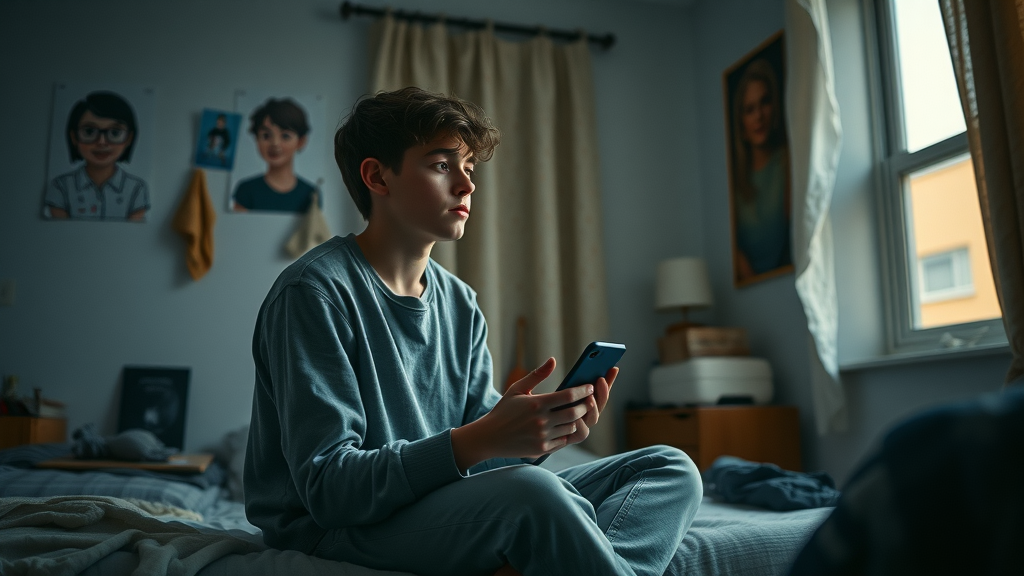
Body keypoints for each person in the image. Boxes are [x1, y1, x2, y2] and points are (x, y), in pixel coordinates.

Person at [244, 86, 703, 576]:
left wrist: (534, 438)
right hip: (336, 528)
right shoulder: (314, 293)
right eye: (443, 165)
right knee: (535, 495)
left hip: (437, 505)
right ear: (377, 176)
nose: (467, 185)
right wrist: (480, 440)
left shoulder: (460, 302)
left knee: (670, 469)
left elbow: (480, 467)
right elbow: (330, 492)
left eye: (468, 168)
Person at [44, 91, 150, 221]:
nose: (101, 142)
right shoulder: (60, 186)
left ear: (129, 138)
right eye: (89, 132)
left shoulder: (137, 188)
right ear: (74, 137)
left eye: (115, 133)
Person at [730, 58, 791, 282]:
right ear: (741, 123)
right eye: (749, 109)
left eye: (764, 102)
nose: (759, 117)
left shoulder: (786, 163)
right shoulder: (735, 184)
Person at [232, 98, 319, 213]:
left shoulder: (311, 194)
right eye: (266, 135)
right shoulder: (246, 190)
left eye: (285, 136)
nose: (275, 143)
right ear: (256, 139)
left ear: (300, 142)